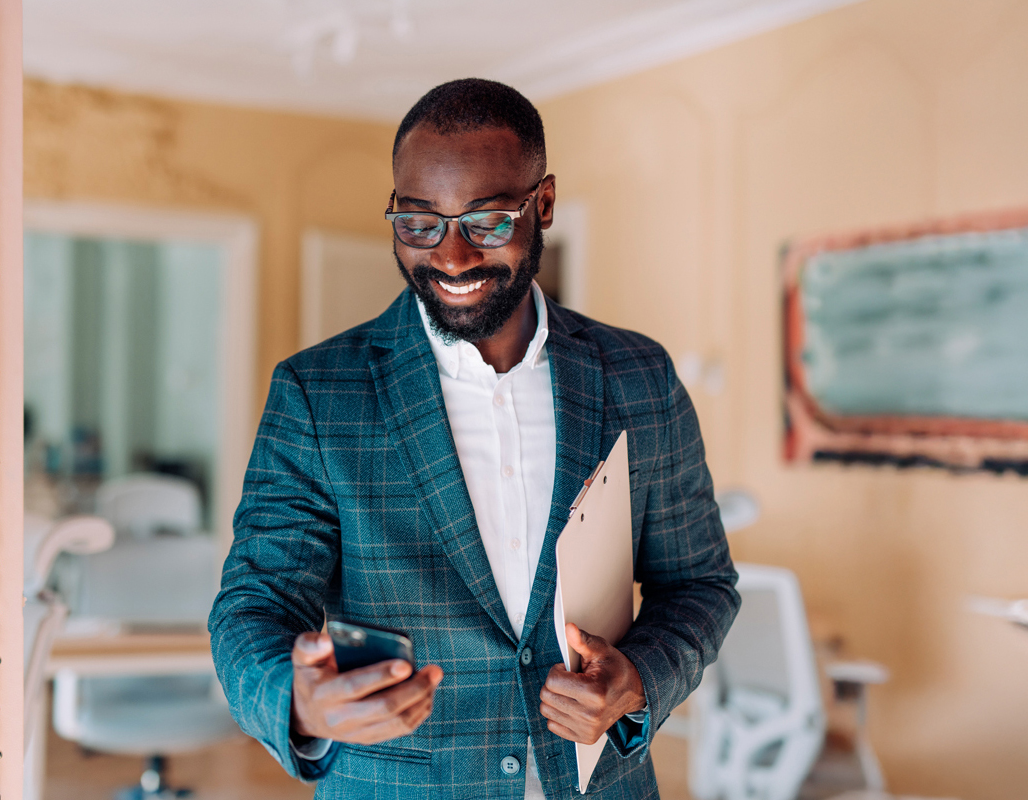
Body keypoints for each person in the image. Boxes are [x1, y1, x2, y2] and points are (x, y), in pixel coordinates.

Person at [209, 78, 739, 800]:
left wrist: (639, 679)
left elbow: (699, 585)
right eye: (418, 224)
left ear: (542, 204)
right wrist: (296, 702)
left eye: (487, 222)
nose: (451, 257)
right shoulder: (317, 394)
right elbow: (254, 605)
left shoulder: (639, 377)